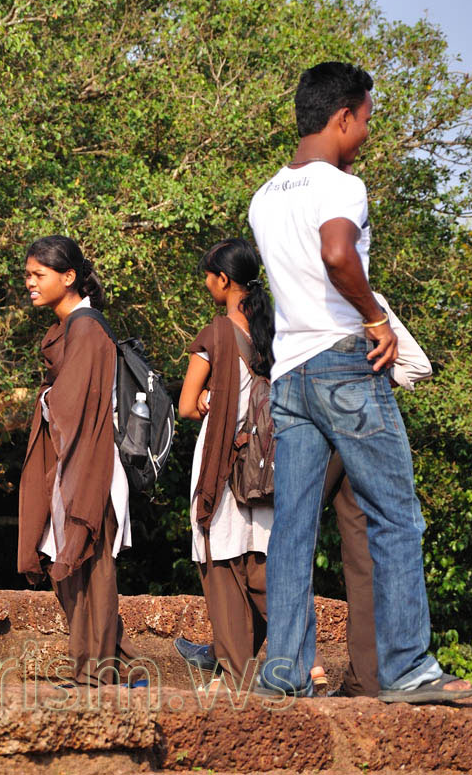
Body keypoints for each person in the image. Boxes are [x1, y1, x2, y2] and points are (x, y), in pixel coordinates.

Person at [247, 61, 472, 703]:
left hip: (288, 376)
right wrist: (377, 318)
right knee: (394, 512)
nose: (367, 133)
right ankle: (407, 667)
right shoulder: (342, 187)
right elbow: (337, 254)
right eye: (367, 119)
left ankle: (285, 670)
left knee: (292, 524)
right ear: (343, 115)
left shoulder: (263, 197)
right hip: (343, 363)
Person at [173, 238, 379, 697]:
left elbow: (188, 405)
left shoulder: (217, 333)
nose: (206, 283)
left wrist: (207, 400)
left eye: (209, 275)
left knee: (222, 564)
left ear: (224, 281)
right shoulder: (276, 330)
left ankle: (235, 675)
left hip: (225, 463)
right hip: (270, 464)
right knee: (264, 563)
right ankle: (308, 662)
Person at [16, 234, 139, 687]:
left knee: (93, 567)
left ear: (68, 277)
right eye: (28, 275)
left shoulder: (86, 327)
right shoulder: (71, 328)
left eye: (38, 275)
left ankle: (100, 674)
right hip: (74, 459)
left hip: (92, 463)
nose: (29, 283)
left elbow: (71, 404)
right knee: (67, 567)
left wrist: (47, 396)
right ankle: (122, 669)